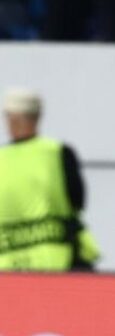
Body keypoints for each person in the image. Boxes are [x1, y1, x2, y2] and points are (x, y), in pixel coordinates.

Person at [0, 88, 99, 271]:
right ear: (37, 117)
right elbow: (78, 201)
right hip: (60, 263)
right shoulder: (59, 153)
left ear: (10, 119)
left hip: (8, 269)